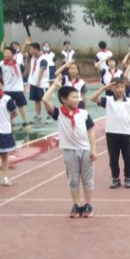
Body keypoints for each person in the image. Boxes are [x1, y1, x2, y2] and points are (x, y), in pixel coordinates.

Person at [44, 77, 97, 218]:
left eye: (77, 97)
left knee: (87, 178)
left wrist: (93, 149)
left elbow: (91, 132)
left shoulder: (84, 114)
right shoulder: (59, 114)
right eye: (73, 97)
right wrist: (54, 86)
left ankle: (88, 204)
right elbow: (45, 100)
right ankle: (76, 204)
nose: (77, 99)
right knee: (73, 179)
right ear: (63, 99)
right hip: (69, 151)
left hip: (85, 150)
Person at [90, 77, 130, 189]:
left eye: (122, 87)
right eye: (117, 87)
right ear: (112, 88)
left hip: (126, 133)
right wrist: (104, 88)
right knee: (113, 158)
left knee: (128, 157)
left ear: (125, 88)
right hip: (112, 133)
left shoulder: (129, 102)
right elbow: (93, 98)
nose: (120, 89)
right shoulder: (108, 101)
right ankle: (115, 178)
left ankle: (128, 178)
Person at [0, 76, 19, 186]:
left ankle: (6, 177)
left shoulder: (7, 99)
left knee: (4, 155)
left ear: (2, 84)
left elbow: (14, 112)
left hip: (4, 131)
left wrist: (6, 120)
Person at [0, 39, 30, 131]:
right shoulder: (2, 64)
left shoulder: (18, 63)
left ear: (12, 54)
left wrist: (22, 74)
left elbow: (24, 73)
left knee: (21, 106)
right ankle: (11, 123)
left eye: (7, 52)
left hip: (18, 89)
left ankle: (25, 122)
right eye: (4, 52)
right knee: (9, 107)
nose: (5, 54)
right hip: (7, 89)